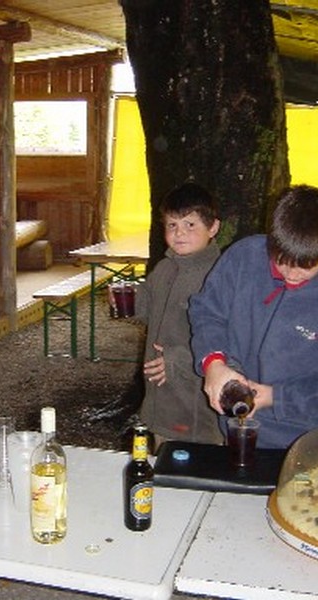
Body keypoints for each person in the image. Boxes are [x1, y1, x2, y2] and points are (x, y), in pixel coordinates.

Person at [189, 184, 318, 450]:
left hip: (302, 436)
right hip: (232, 426)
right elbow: (207, 311)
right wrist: (213, 363)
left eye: (306, 266)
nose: (291, 274)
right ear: (271, 239)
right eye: (282, 261)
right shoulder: (243, 258)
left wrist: (278, 397)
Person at [131, 181, 223, 447]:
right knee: (162, 454)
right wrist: (129, 300)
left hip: (194, 401)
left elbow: (230, 339)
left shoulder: (218, 276)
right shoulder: (165, 268)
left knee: (193, 462)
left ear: (213, 227)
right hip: (159, 397)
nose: (179, 233)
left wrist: (178, 359)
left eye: (190, 224)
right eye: (172, 225)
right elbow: (148, 311)